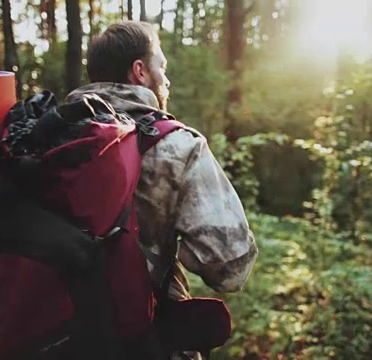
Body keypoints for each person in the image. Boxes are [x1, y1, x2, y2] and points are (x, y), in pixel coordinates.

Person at [65, 21, 258, 359]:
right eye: (162, 67)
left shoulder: (49, 134)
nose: (166, 79)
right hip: (145, 342)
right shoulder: (177, 145)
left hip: (55, 338)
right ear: (139, 71)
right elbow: (231, 267)